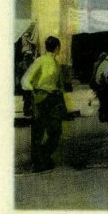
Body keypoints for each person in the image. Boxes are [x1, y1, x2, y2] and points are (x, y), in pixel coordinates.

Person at [21, 35, 66, 173]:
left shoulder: (56, 64)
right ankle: (38, 162)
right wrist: (33, 92)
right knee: (38, 132)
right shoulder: (40, 61)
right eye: (59, 47)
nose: (59, 50)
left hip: (53, 98)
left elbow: (60, 84)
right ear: (57, 47)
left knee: (56, 130)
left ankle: (44, 155)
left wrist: (61, 98)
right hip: (41, 98)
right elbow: (26, 80)